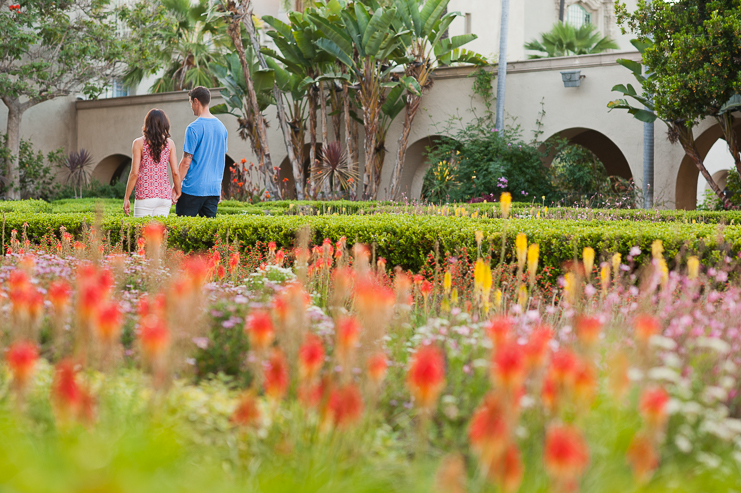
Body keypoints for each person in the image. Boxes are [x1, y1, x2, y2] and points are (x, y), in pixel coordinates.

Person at [175, 86, 229, 217]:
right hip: (213, 191)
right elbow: (220, 161)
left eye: (191, 103)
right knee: (208, 234)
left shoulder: (193, 128)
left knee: (182, 233)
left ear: (196, 101)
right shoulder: (222, 128)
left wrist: (175, 187)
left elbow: (186, 163)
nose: (191, 107)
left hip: (192, 190)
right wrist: (218, 188)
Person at [123, 109, 181, 217]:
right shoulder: (170, 144)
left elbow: (134, 173)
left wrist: (126, 198)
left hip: (145, 195)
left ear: (147, 123)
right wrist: (178, 191)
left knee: (141, 232)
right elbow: (175, 172)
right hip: (164, 196)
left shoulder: (138, 143)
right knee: (158, 233)